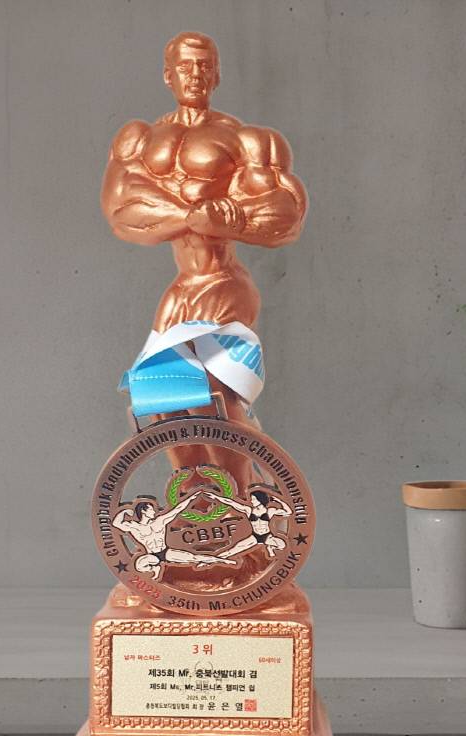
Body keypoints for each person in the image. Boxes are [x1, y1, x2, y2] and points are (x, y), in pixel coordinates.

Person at [101, 31, 308, 495]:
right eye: (185, 65)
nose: (195, 74)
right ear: (167, 74)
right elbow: (121, 212)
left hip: (224, 281)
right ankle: (199, 502)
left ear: (217, 75)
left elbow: (285, 213)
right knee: (162, 398)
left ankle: (246, 499)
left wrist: (232, 219)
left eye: (204, 65)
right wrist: (191, 215)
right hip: (183, 287)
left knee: (214, 394)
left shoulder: (246, 139)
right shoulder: (140, 139)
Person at [112, 491, 235, 580]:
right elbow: (116, 523)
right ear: (143, 511)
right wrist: (125, 511)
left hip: (166, 552)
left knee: (195, 558)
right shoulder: (135, 527)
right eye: (151, 509)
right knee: (138, 566)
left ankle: (224, 561)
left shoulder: (160, 521)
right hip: (151, 555)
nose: (154, 511)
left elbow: (177, 509)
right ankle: (155, 568)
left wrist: (191, 498)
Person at [205, 489, 292, 559]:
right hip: (255, 537)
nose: (252, 501)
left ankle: (271, 548)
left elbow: (288, 512)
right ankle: (210, 560)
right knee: (231, 552)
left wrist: (280, 500)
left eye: (254, 499)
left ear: (260, 499)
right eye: (251, 499)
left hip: (267, 536)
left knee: (282, 545)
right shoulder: (248, 510)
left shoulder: (270, 511)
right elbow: (231, 503)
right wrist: (216, 497)